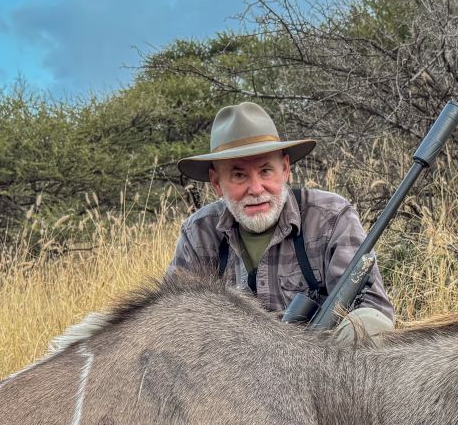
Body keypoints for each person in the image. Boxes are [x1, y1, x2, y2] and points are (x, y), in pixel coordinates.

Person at [167, 101, 393, 343]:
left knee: (370, 326)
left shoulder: (331, 217)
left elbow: (372, 307)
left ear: (285, 169)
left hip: (320, 367)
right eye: (239, 175)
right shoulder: (198, 233)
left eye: (266, 171)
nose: (255, 189)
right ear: (216, 183)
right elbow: (171, 318)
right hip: (229, 371)